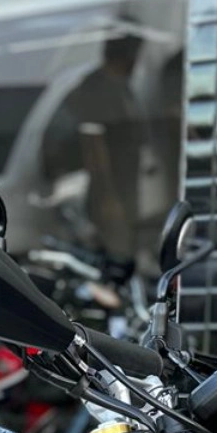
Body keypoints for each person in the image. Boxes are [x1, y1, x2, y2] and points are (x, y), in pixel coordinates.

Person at [51, 32, 146, 266]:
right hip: (108, 188)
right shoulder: (95, 89)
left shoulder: (121, 85)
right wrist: (108, 198)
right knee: (115, 250)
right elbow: (93, 144)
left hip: (124, 184)